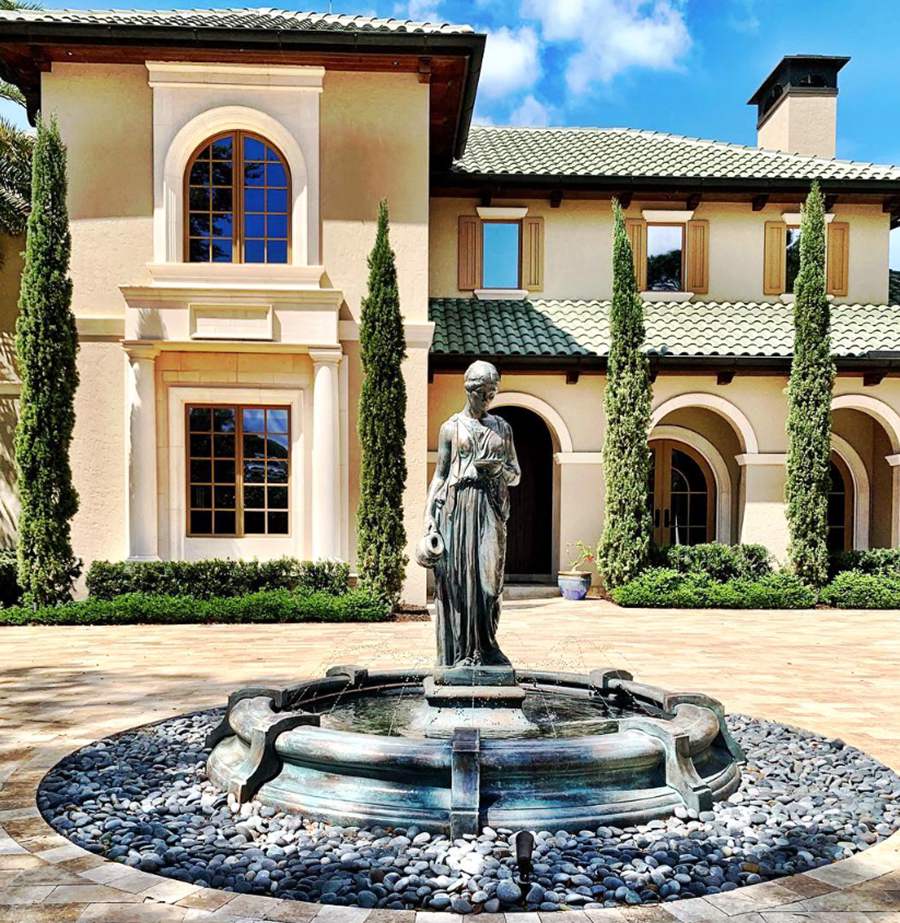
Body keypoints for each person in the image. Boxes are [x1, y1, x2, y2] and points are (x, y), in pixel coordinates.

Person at [419, 360, 520, 667]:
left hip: (489, 508)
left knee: (490, 584)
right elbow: (440, 476)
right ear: (469, 390)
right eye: (483, 392)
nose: (489, 398)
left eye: (493, 392)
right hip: (457, 509)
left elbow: (516, 474)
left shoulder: (502, 428)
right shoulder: (451, 428)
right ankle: (462, 654)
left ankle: (488, 646)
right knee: (459, 583)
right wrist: (428, 517)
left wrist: (498, 470)